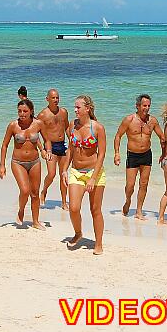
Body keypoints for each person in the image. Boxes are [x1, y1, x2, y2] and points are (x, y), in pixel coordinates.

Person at [62, 95, 106, 255]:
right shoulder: (73, 125)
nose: (75, 110)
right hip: (76, 171)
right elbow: (71, 150)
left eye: (78, 107)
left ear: (87, 109)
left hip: (95, 172)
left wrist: (93, 178)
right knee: (74, 208)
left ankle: (99, 243)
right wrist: (64, 170)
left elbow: (101, 154)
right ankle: (78, 232)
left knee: (96, 210)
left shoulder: (98, 128)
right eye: (74, 107)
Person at [0, 99, 51, 230]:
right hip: (18, 162)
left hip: (35, 162)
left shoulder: (39, 124)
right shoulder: (13, 125)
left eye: (25, 111)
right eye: (19, 111)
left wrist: (47, 151)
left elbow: (47, 140)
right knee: (25, 190)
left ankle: (35, 221)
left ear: (31, 111)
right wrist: (2, 165)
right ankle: (21, 210)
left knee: (35, 193)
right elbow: (4, 145)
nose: (22, 114)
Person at [113, 94, 165, 220]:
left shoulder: (152, 121)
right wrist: (117, 153)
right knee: (130, 185)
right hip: (133, 155)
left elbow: (162, 137)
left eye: (148, 106)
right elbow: (118, 135)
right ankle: (128, 200)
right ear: (137, 106)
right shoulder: (129, 120)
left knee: (144, 183)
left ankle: (139, 210)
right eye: (144, 105)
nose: (146, 108)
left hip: (147, 155)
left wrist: (164, 154)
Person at [37, 89, 69, 210]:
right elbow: (35, 134)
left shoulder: (64, 112)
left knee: (63, 174)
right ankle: (44, 191)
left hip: (63, 145)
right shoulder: (42, 115)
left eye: (57, 98)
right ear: (47, 99)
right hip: (50, 146)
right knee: (51, 174)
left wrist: (72, 141)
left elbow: (66, 127)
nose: (55, 100)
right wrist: (42, 149)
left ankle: (64, 202)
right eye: (53, 98)